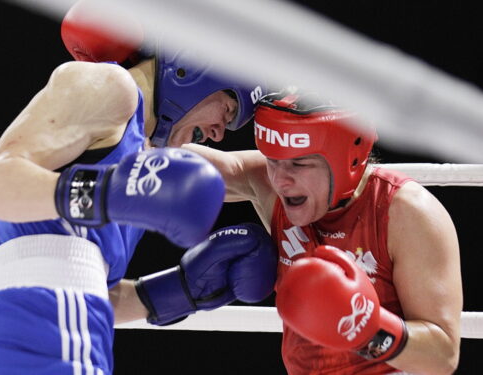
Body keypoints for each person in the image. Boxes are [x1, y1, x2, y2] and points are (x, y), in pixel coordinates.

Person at [0, 3, 273, 374]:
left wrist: (179, 290)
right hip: (36, 329)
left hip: (52, 326)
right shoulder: (109, 87)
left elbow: (253, 171)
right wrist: (108, 193)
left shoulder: (145, 153)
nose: (219, 132)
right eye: (227, 112)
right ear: (195, 68)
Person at [186, 90, 462, 374]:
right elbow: (179, 165)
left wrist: (368, 331)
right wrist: (147, 110)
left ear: (348, 159)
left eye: (300, 164)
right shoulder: (270, 186)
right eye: (272, 160)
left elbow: (442, 356)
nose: (280, 180)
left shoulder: (406, 213)